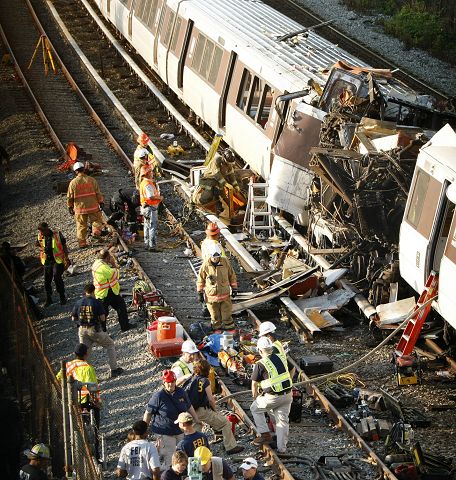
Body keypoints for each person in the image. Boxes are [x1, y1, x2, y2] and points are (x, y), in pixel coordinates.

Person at [143, 370, 199, 469]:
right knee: (171, 456)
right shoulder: (158, 396)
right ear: (164, 383)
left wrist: (196, 419)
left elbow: (189, 406)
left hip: (180, 429)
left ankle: (185, 473)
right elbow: (148, 413)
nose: (171, 384)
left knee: (183, 453)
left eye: (173, 381)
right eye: (168, 382)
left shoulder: (181, 392)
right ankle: (170, 474)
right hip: (164, 430)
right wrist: (143, 429)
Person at [186, 360, 243, 455]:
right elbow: (211, 399)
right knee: (224, 423)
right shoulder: (205, 381)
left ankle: (192, 452)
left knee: (195, 430)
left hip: (189, 410)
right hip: (201, 410)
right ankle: (231, 447)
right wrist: (215, 410)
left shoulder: (191, 378)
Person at [250, 337, 294, 453]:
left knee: (255, 408)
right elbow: (292, 368)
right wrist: (289, 381)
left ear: (259, 351)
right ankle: (282, 448)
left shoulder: (260, 364)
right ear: (271, 348)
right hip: (288, 395)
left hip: (273, 397)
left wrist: (256, 398)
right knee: (282, 421)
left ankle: (265, 435)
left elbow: (254, 385)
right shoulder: (281, 357)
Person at [56, 343, 101, 457]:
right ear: (86, 354)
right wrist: (97, 402)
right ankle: (95, 453)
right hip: (84, 401)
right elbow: (93, 388)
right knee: (94, 426)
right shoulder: (88, 368)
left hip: (71, 400)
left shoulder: (68, 365)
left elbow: (58, 378)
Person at [72, 283, 123, 378]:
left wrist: (80, 322)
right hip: (94, 330)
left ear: (85, 291)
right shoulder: (96, 302)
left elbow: (73, 318)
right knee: (110, 345)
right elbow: (103, 318)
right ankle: (114, 369)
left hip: (82, 331)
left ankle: (88, 377)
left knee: (85, 353)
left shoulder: (78, 303)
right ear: (93, 291)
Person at [197, 244, 238, 331]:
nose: (216, 259)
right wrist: (200, 292)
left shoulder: (225, 262)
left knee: (227, 315)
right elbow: (200, 279)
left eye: (217, 257)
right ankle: (217, 331)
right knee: (215, 316)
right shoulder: (205, 265)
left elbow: (232, 275)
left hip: (225, 295)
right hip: (211, 297)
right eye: (214, 257)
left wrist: (234, 288)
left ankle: (230, 330)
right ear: (210, 256)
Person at [92, 249, 134, 332]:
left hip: (108, 291)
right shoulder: (103, 267)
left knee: (120, 306)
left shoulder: (97, 263)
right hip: (104, 293)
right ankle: (102, 332)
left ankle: (124, 326)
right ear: (107, 258)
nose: (111, 258)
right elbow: (115, 274)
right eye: (110, 257)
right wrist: (113, 263)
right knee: (103, 314)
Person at [67, 161, 104, 248]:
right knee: (96, 220)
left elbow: (69, 197)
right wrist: (101, 202)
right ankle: (96, 232)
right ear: (83, 169)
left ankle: (82, 243)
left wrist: (70, 206)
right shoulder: (92, 180)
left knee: (81, 226)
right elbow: (98, 193)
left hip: (80, 209)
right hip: (93, 206)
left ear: (75, 171)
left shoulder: (73, 183)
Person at [36, 222, 68, 306]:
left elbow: (64, 245)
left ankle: (62, 297)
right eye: (40, 231)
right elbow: (38, 245)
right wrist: (42, 249)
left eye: (43, 231)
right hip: (47, 261)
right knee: (47, 280)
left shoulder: (57, 234)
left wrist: (66, 258)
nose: (41, 233)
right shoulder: (40, 236)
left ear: (47, 228)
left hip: (57, 260)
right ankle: (49, 299)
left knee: (57, 277)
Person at [139, 166, 163, 252]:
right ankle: (152, 246)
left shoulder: (143, 183)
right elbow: (151, 197)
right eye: (151, 172)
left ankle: (146, 244)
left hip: (145, 208)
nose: (152, 173)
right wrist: (160, 197)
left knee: (146, 226)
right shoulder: (148, 184)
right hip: (150, 208)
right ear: (148, 173)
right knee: (152, 226)